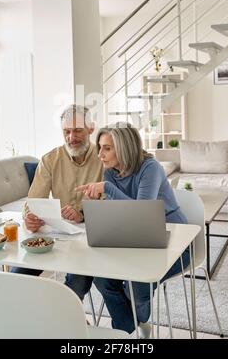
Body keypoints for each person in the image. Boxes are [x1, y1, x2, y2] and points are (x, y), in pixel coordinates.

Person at [76, 122, 189, 337]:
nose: (100, 154)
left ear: (125, 147)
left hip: (176, 241)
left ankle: (134, 323)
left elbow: (141, 213)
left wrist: (107, 189)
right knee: (102, 278)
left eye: (107, 148)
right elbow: (122, 214)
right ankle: (126, 332)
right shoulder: (110, 172)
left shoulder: (150, 168)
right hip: (135, 239)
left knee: (137, 282)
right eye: (100, 147)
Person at [11, 104, 103, 301]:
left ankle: (66, 320)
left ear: (91, 129)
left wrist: (83, 214)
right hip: (57, 236)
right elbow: (33, 201)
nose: (71, 137)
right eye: (66, 131)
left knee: (73, 287)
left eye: (77, 130)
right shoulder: (50, 160)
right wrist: (30, 218)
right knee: (16, 276)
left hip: (92, 240)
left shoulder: (105, 158)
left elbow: (113, 205)